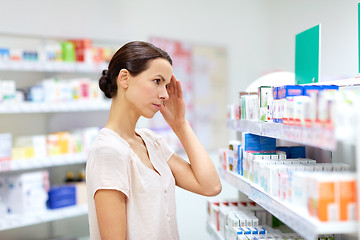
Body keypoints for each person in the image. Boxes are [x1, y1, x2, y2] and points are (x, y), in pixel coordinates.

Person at [86, 41, 222, 240]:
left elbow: (210, 186)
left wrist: (180, 124)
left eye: (166, 85)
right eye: (157, 81)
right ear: (124, 78)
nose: (165, 94)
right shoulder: (109, 151)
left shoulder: (151, 142)